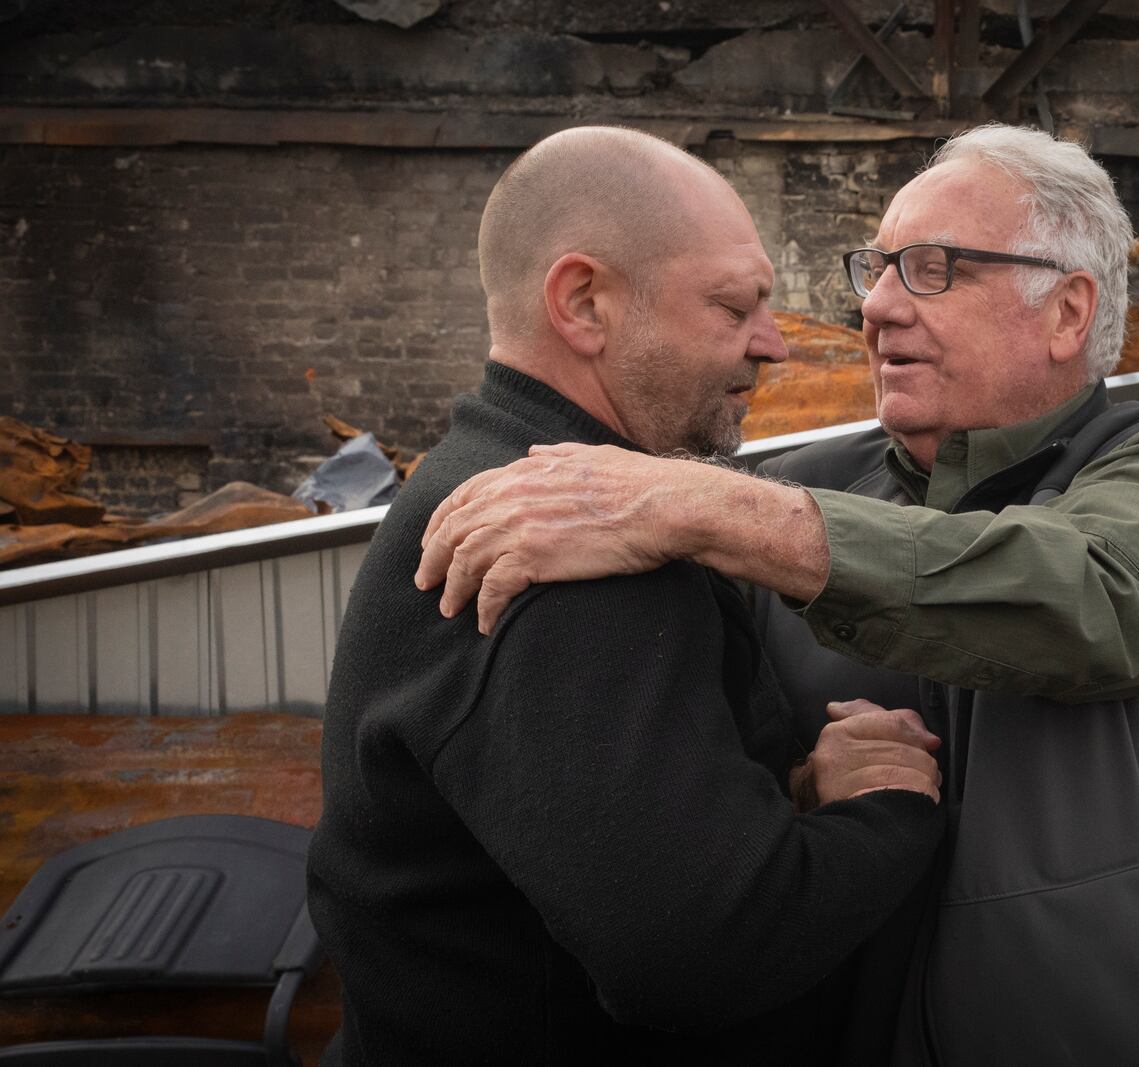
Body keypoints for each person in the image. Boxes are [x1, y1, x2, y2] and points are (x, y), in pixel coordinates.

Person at [415, 124, 1139, 1065]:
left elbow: (1101, 597)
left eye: (934, 268)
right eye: (879, 267)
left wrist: (700, 503)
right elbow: (707, 803)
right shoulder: (784, 494)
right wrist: (804, 794)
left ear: (1066, 312)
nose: (880, 306)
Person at [305, 126, 949, 1067]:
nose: (772, 343)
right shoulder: (557, 557)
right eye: (733, 306)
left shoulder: (506, 482)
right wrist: (889, 807)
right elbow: (700, 954)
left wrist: (786, 798)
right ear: (583, 302)